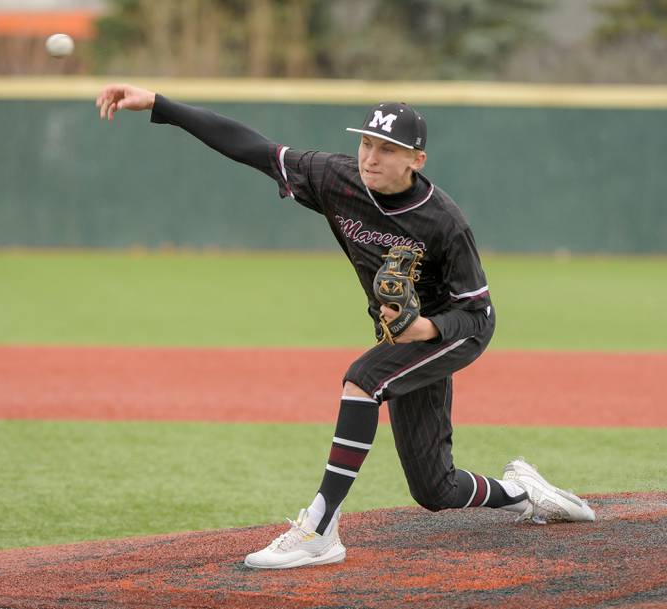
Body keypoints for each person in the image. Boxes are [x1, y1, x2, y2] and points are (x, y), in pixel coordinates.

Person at [95, 84, 596, 570]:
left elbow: (479, 315)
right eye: (365, 142)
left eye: (387, 148)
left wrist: (424, 328)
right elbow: (251, 147)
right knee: (434, 489)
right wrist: (161, 104)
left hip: (452, 333)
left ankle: (319, 529)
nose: (370, 157)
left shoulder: (444, 222)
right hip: (402, 337)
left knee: (363, 379)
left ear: (415, 161)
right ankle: (525, 492)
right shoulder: (335, 179)